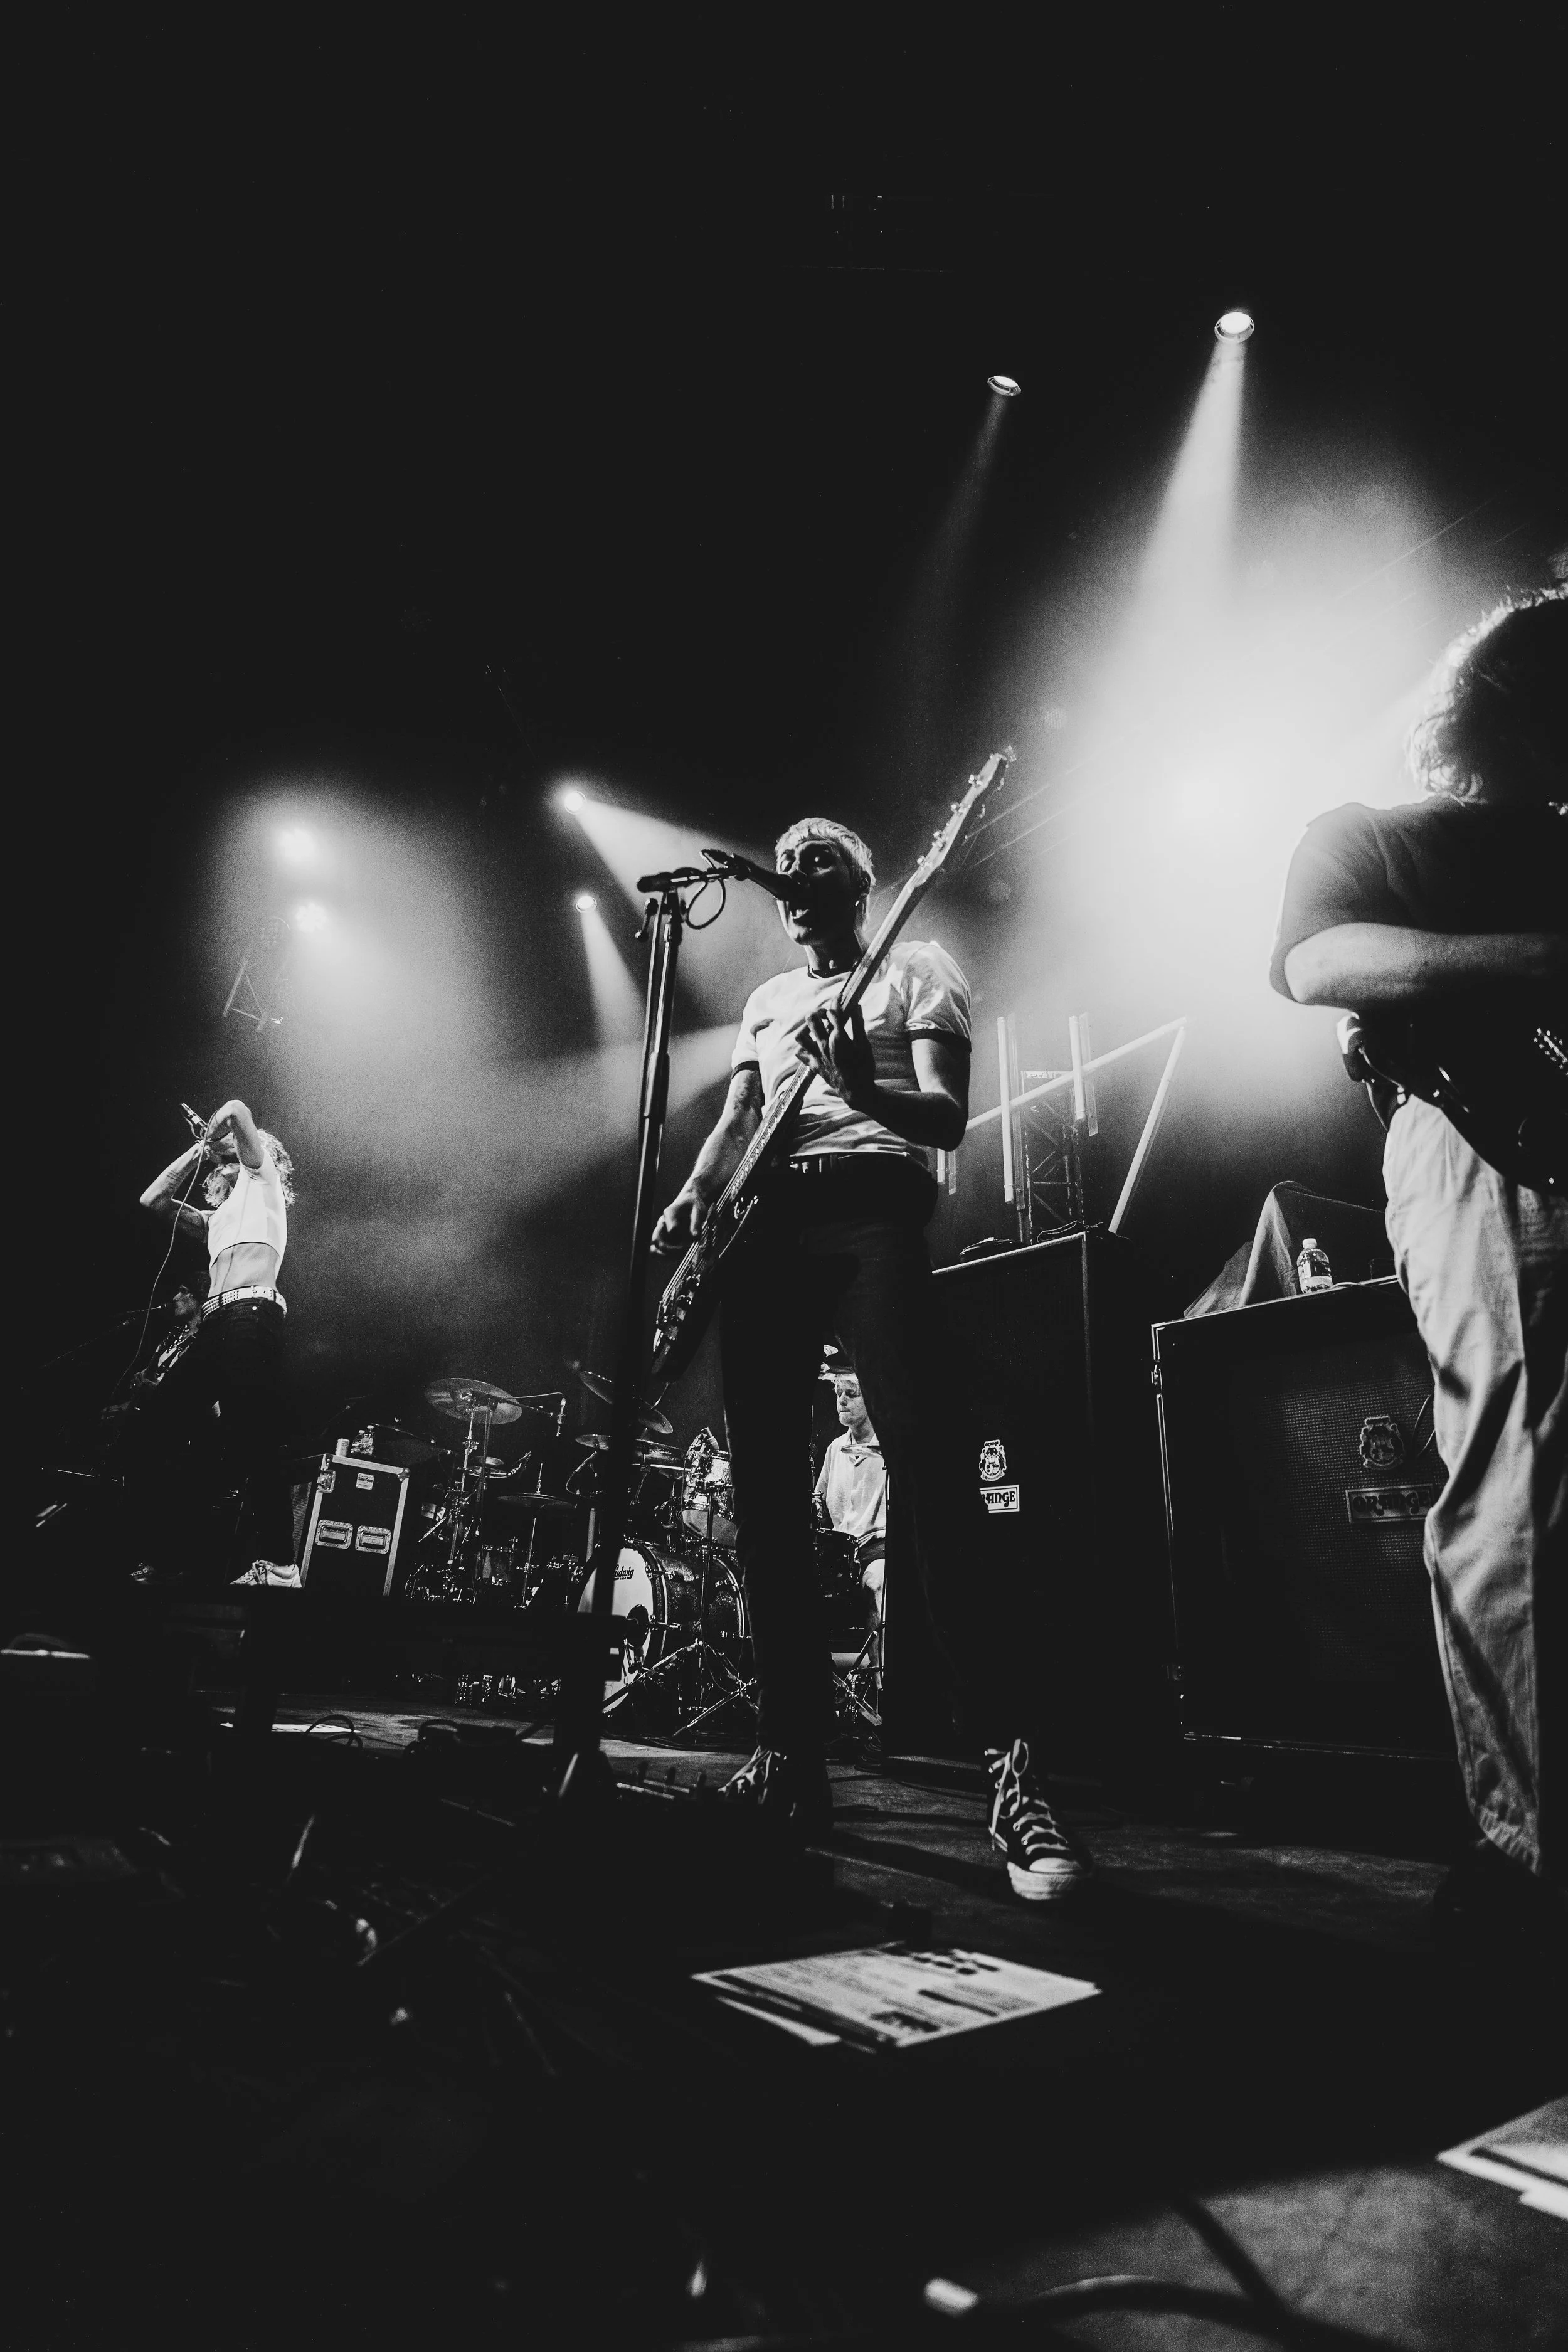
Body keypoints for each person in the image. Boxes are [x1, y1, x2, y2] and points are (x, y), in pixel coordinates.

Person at [653, 816, 1089, 1899]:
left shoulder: (918, 967)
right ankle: (789, 1760)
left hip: (872, 1213)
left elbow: (943, 1117)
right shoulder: (767, 1002)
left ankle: (1012, 1772)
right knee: (764, 1490)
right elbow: (743, 1115)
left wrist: (861, 1083)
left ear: (862, 885)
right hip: (766, 1227)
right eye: (787, 868)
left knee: (931, 1466)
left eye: (820, 864)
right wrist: (697, 1194)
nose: (796, 880)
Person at [1271, 590, 1567, 1926]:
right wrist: (1539, 960)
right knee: (1518, 1475)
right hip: (1488, 1149)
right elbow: (1316, 960)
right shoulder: (1376, 833)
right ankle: (1531, 1851)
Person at [139, 1099, 300, 1588]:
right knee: (156, 1427)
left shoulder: (262, 1182)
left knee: (255, 1441)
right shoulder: (216, 1220)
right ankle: (168, 1558)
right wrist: (199, 1150)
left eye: (233, 1154)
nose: (224, 1160)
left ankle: (282, 1567)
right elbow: (153, 1200)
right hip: (215, 1327)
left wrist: (217, 1136)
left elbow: (235, 1108)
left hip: (251, 1316)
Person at [813, 1369, 888, 1652]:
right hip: (839, 1553)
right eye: (838, 1394)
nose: (842, 1401)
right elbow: (819, 1504)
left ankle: (880, 1674)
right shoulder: (835, 1449)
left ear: (870, 1397)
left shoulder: (889, 1446)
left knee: (876, 1585)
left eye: (851, 1394)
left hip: (876, 1547)